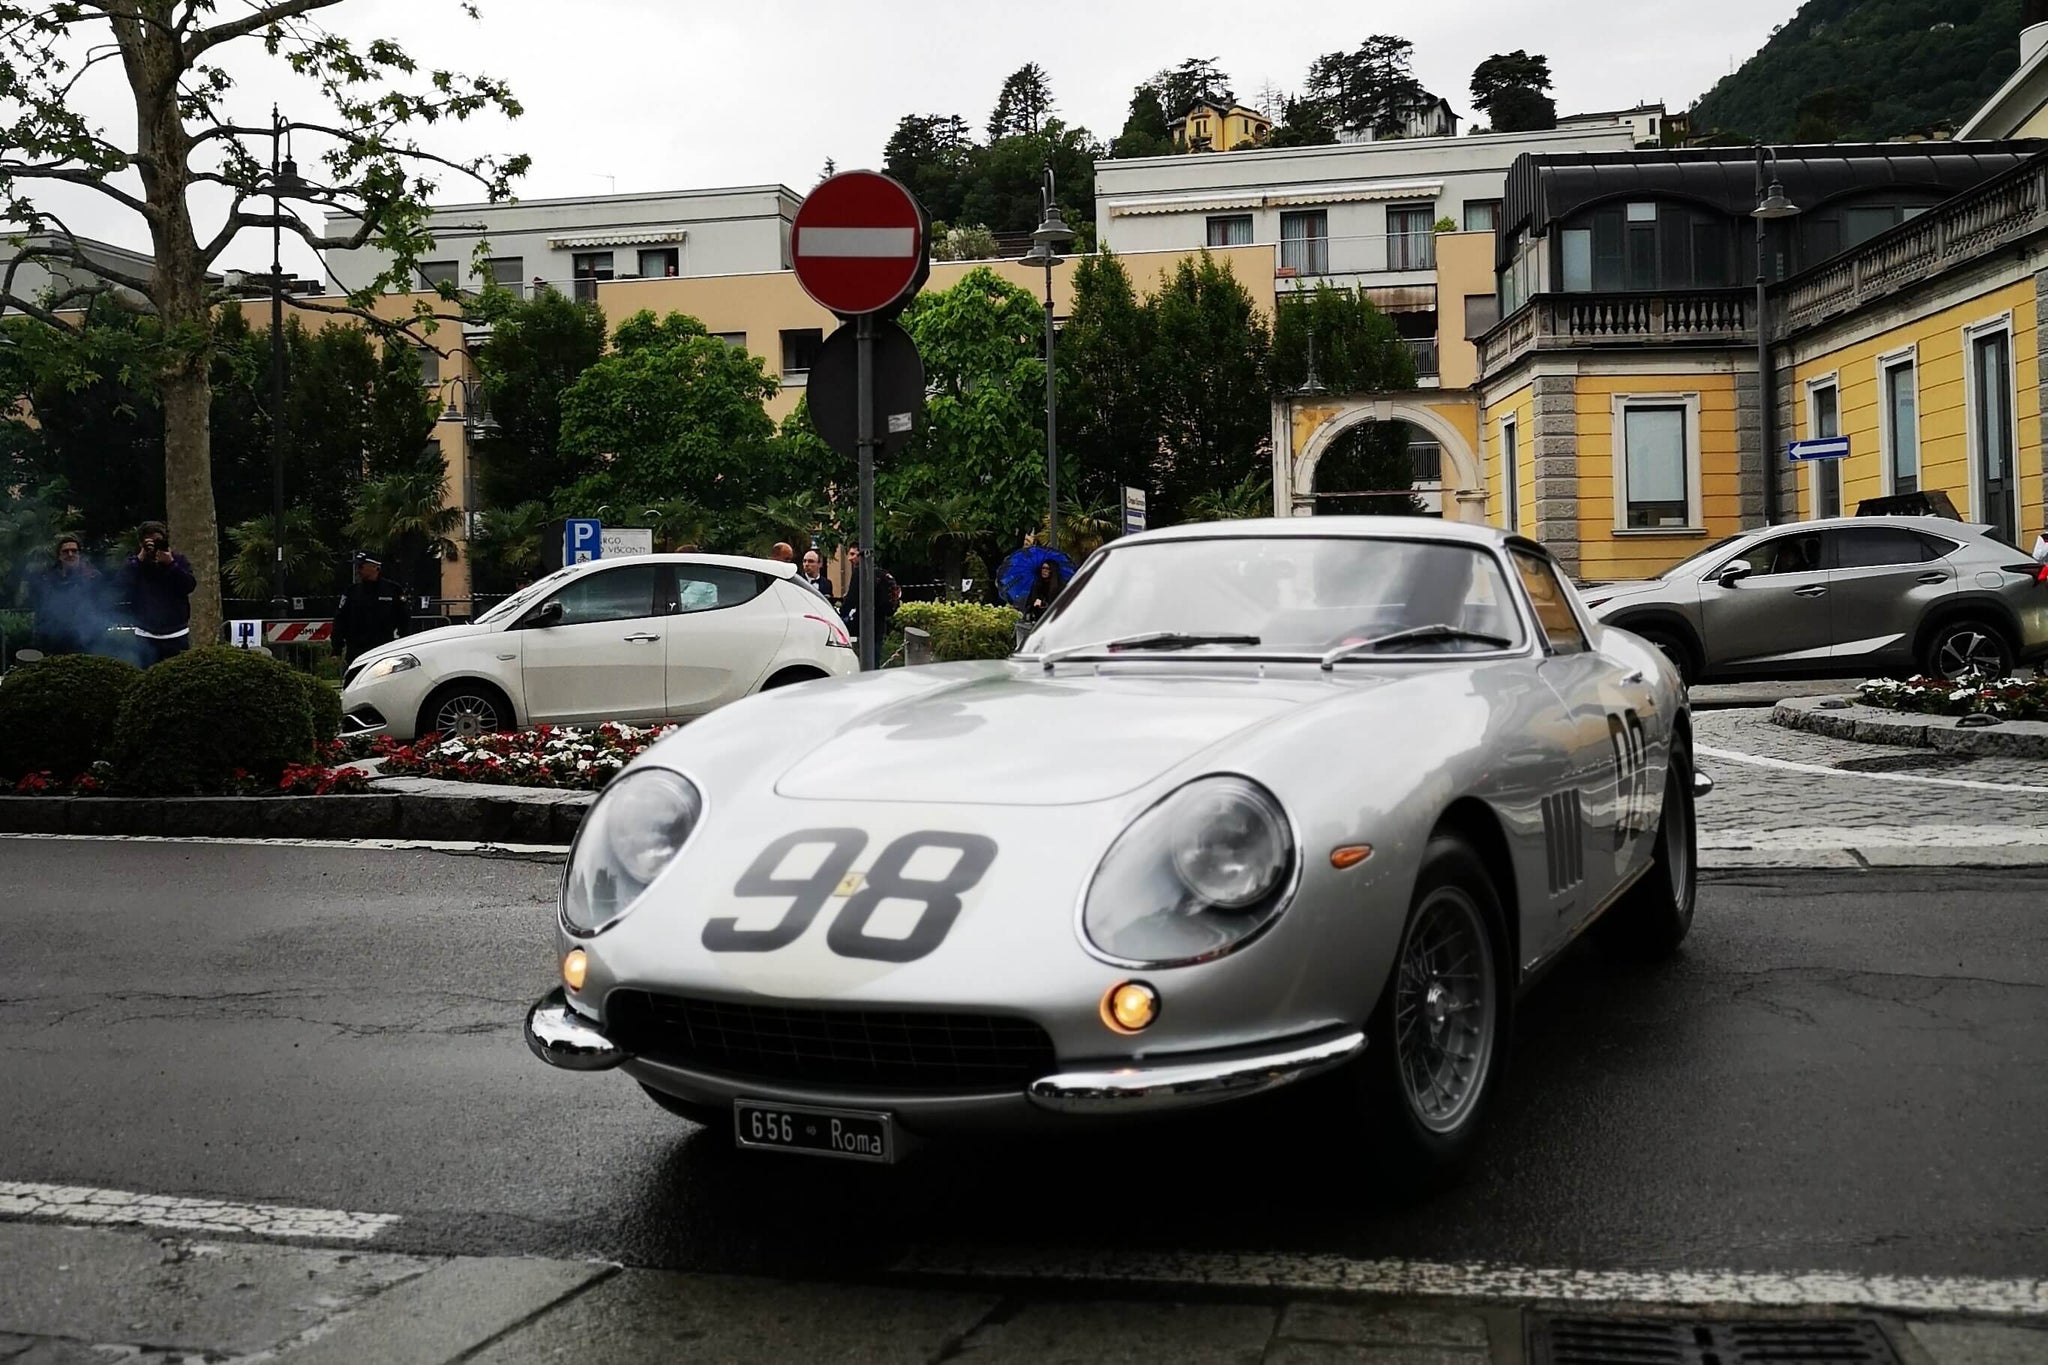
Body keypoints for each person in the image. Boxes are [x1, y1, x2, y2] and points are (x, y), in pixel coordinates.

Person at [119, 521, 196, 665]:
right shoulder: (134, 564)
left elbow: (189, 585)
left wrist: (171, 564)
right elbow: (121, 586)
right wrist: (141, 558)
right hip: (145, 634)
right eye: (149, 541)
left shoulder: (178, 560)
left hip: (176, 634)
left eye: (157, 541)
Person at [28, 534, 108, 656]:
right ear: (59, 556)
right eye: (66, 551)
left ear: (79, 554)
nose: (70, 554)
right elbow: (40, 608)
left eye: (74, 551)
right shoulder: (46, 578)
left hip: (85, 641)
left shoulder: (93, 577)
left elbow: (101, 607)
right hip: (53, 641)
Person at [333, 552, 410, 664]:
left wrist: (404, 647)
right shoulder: (352, 591)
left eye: (361, 566)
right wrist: (336, 649)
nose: (358, 570)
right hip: (357, 652)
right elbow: (340, 620)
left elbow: (404, 620)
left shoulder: (393, 590)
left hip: (384, 649)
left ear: (375, 567)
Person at [841, 545, 898, 643]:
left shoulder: (859, 572)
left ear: (861, 555)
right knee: (876, 654)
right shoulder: (879, 572)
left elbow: (851, 600)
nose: (850, 558)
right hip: (879, 624)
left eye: (853, 554)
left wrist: (841, 614)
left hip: (863, 624)